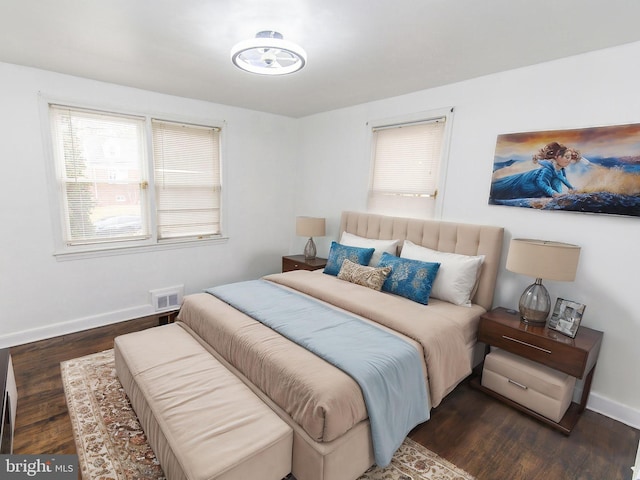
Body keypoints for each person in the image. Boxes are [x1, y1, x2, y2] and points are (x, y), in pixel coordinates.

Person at [490, 142, 579, 200]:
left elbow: (562, 178)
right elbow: (541, 182)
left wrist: (570, 187)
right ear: (557, 157)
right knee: (501, 191)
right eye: (567, 157)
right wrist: (554, 194)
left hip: (535, 187)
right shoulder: (547, 169)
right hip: (524, 184)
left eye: (570, 158)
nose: (569, 160)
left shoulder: (561, 170)